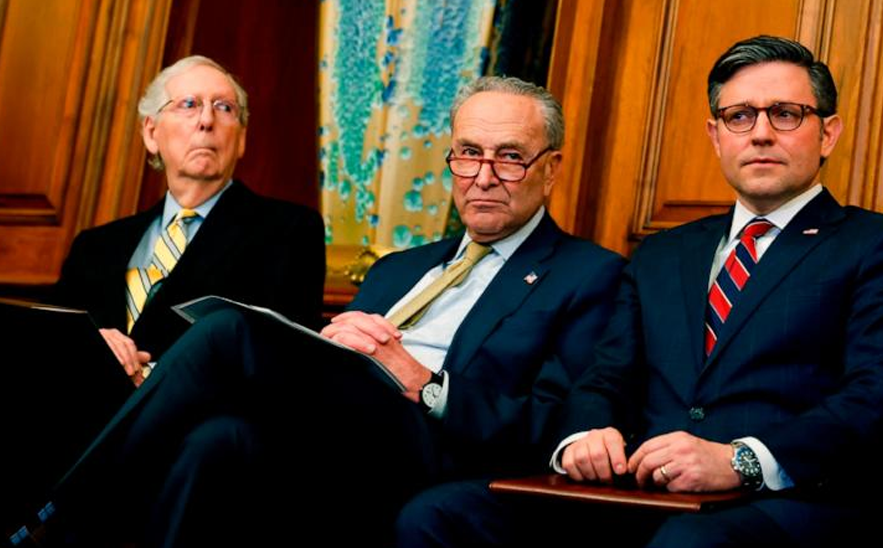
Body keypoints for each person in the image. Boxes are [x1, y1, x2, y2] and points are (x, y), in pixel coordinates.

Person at [8, 76, 625, 548]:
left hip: (436, 446)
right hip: (334, 436)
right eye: (467, 153)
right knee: (216, 439)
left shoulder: (588, 274)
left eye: (509, 157)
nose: (482, 176)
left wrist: (423, 380)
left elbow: (555, 422)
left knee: (228, 331)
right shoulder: (399, 268)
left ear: (550, 170)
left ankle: (54, 517)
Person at [394, 35, 883, 547]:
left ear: (828, 133)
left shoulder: (880, 245)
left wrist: (740, 461)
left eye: (785, 114)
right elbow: (605, 377)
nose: (760, 133)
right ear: (716, 136)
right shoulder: (663, 253)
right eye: (739, 116)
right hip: (645, 493)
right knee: (441, 515)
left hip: (789, 503)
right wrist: (584, 437)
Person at [1, 56, 326, 538]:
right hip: (79, 416)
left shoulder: (287, 231)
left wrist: (151, 376)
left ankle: (44, 523)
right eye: (189, 104)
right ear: (151, 133)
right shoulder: (98, 245)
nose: (206, 120)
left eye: (225, 108)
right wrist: (98, 350)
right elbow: (50, 348)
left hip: (192, 427)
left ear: (241, 138)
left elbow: (276, 361)